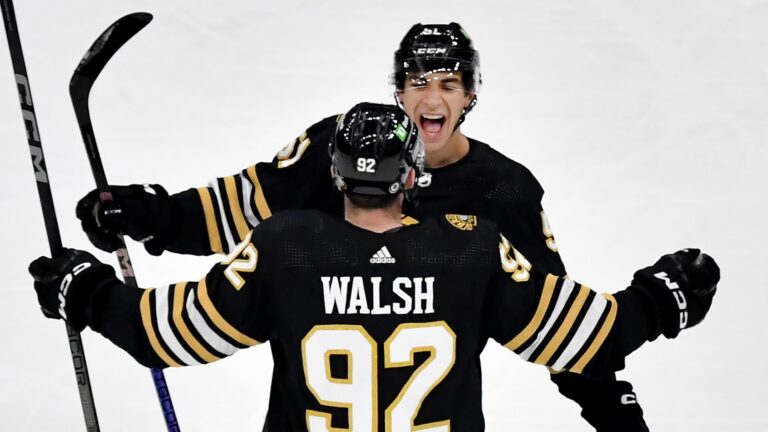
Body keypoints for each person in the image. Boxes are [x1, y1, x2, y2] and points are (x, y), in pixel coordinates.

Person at [75, 23, 650, 430]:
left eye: (448, 84)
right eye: (418, 82)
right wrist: (155, 215)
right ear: (397, 89)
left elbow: (553, 318)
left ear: (470, 95)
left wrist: (610, 405)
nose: (431, 97)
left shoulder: (503, 190)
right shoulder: (343, 144)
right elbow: (241, 203)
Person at [32, 103, 719, 432]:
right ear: (412, 175)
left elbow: (164, 335)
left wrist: (84, 288)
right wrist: (661, 300)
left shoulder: (284, 247)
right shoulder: (471, 248)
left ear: (332, 174)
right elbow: (586, 334)